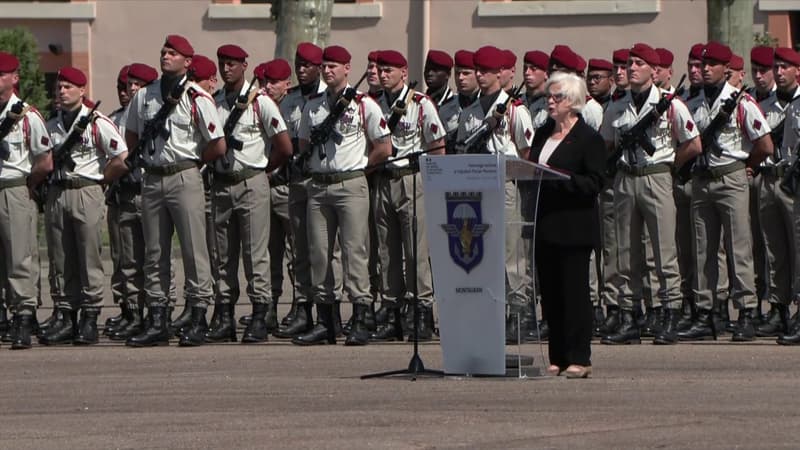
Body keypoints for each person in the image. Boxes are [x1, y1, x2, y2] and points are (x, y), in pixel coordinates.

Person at [124, 35, 226, 347]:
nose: (166, 56)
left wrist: (193, 162)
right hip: (153, 178)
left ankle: (197, 315)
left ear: (188, 62)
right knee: (154, 252)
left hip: (184, 176)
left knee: (195, 250)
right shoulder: (144, 97)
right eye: (163, 51)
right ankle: (157, 318)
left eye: (173, 53)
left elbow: (217, 145)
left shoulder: (197, 97)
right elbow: (131, 136)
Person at [600, 43, 701, 345]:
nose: (630, 68)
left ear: (654, 71)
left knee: (664, 252)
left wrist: (670, 163)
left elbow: (694, 144)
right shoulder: (617, 106)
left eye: (638, 63)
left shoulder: (671, 105)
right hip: (625, 178)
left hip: (656, 176)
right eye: (630, 63)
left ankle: (670, 312)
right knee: (625, 252)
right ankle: (630, 315)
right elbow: (607, 144)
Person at [292, 45, 391, 346]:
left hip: (350, 184)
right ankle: (326, 320)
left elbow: (384, 147)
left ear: (348, 68)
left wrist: (362, 167)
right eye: (325, 65)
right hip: (319, 186)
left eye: (334, 65)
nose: (327, 70)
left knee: (354, 252)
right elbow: (304, 144)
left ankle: (361, 314)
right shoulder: (314, 105)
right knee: (319, 253)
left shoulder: (364, 104)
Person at [679, 42, 773, 342]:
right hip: (702, 179)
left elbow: (765, 144)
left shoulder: (740, 101)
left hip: (731, 177)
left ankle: (745, 311)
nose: (705, 69)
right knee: (703, 248)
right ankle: (706, 312)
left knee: (738, 247)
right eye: (703, 64)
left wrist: (749, 166)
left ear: (726, 69)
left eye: (713, 64)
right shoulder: (694, 103)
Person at [206, 46, 291, 344]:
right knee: (222, 255)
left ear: (245, 65)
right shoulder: (213, 102)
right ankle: (225, 314)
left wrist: (265, 170)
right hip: (221, 183)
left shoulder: (260, 102)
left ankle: (259, 314)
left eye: (231, 64)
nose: (225, 69)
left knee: (255, 254)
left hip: (251, 181)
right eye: (222, 64)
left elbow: (284, 146)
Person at [40, 66, 130, 346]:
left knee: (89, 255)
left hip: (86, 190)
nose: (62, 91)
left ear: (82, 90)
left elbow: (121, 156)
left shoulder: (96, 122)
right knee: (61, 257)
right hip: (58, 192)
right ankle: (67, 315)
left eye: (68, 87)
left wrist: (101, 180)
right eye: (59, 87)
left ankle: (90, 316)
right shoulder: (52, 123)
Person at [526, 72, 604, 377]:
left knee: (574, 294)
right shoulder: (543, 132)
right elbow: (533, 165)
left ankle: (579, 357)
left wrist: (562, 179)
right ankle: (557, 354)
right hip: (544, 222)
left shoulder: (589, 139)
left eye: (556, 97)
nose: (550, 102)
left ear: (572, 102)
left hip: (573, 226)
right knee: (552, 294)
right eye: (548, 96)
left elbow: (595, 181)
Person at [455, 45, 534, 343]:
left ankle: (518, 312)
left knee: (510, 253)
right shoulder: (471, 113)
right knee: (482, 252)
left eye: (486, 71)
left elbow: (526, 154)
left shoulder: (515, 110)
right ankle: (489, 310)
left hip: (505, 185)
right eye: (478, 70)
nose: (480, 75)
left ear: (499, 74)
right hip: (477, 189)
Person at [369, 50, 445, 342]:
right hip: (384, 179)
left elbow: (437, 145)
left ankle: (420, 310)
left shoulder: (420, 104)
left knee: (415, 250)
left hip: (411, 179)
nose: (384, 74)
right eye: (381, 69)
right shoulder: (374, 104)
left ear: (404, 71)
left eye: (389, 70)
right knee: (387, 251)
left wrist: (431, 184)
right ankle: (392, 309)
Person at [0, 52, 53, 349]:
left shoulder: (27, 116)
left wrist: (26, 185)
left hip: (13, 188)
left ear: (14, 78)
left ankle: (22, 315)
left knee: (20, 256)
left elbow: (45, 161)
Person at [105, 63, 160, 341]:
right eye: (127, 85)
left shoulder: (155, 117)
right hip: (124, 193)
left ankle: (158, 313)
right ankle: (133, 312)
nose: (130, 90)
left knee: (154, 257)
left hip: (148, 190)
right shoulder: (115, 119)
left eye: (137, 85)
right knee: (126, 259)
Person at [756, 47, 797, 338]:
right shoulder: (765, 104)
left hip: (794, 183)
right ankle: (778, 308)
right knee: (774, 249)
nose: (779, 72)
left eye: (785, 67)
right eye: (777, 67)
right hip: (769, 179)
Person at [259, 58, 296, 335]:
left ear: (287, 83)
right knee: (268, 253)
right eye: (264, 81)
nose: (267, 87)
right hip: (264, 187)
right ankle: (268, 307)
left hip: (287, 186)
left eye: (273, 82)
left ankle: (299, 306)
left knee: (296, 253)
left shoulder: (294, 106)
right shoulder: (257, 105)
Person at [438, 50, 478, 155]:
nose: (460, 78)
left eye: (466, 73)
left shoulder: (485, 106)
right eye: (457, 73)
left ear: (478, 74)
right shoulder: (445, 108)